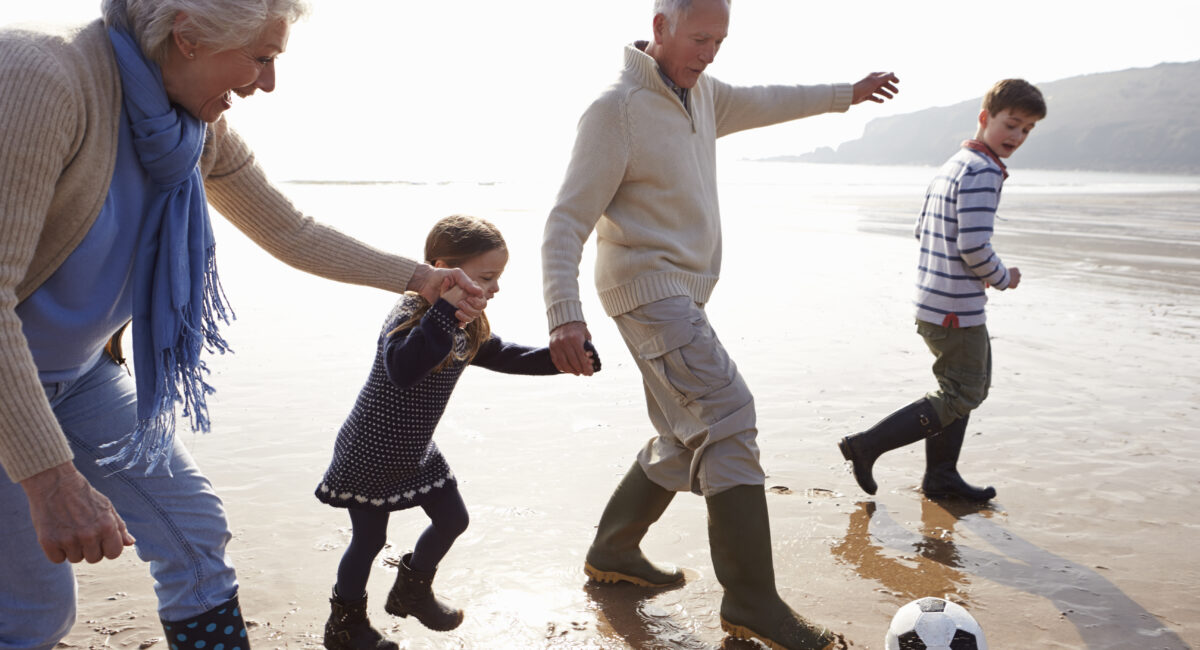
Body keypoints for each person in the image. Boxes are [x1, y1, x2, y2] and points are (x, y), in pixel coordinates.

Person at [0, 1, 485, 648]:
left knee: (194, 533)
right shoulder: (42, 79)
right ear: (189, 35)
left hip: (77, 376)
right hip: (11, 391)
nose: (268, 83)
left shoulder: (191, 129)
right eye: (262, 58)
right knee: (35, 615)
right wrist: (50, 477)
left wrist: (420, 278)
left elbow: (289, 229)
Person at [540, 0, 899, 648]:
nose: (709, 52)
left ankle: (613, 552)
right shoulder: (616, 109)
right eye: (699, 38)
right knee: (727, 414)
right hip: (647, 291)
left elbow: (769, 100)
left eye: (720, 40)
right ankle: (752, 602)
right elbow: (566, 221)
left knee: (686, 434)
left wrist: (848, 93)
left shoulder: (703, 95)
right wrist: (564, 317)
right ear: (660, 27)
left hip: (678, 293)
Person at [316, 215, 600, 650]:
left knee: (453, 519)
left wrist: (558, 358)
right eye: (487, 276)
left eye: (498, 277)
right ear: (444, 268)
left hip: (415, 450)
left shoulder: (467, 322)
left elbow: (501, 353)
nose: (495, 288)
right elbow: (404, 368)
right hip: (370, 449)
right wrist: (445, 308)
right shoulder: (411, 310)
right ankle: (345, 625)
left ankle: (411, 590)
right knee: (369, 540)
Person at [838, 79, 1046, 503]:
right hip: (955, 308)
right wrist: (1002, 275)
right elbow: (972, 245)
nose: (1016, 136)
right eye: (1011, 124)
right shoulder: (983, 171)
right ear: (985, 118)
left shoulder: (956, 163)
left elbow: (923, 229)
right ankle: (867, 446)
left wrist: (967, 269)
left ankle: (941, 476)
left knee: (964, 387)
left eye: (1026, 129)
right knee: (964, 391)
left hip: (933, 299)